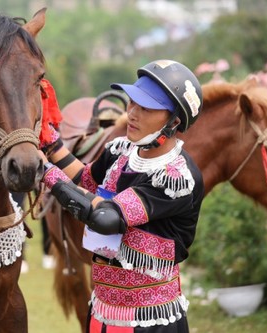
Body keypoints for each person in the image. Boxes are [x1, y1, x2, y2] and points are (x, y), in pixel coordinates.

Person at [39, 60, 204, 333]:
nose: (132, 114)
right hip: (103, 309)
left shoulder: (176, 177)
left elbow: (106, 217)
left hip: (149, 321)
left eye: (146, 108)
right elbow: (85, 179)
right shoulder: (121, 151)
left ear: (174, 121)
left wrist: (45, 171)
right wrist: (50, 141)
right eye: (132, 103)